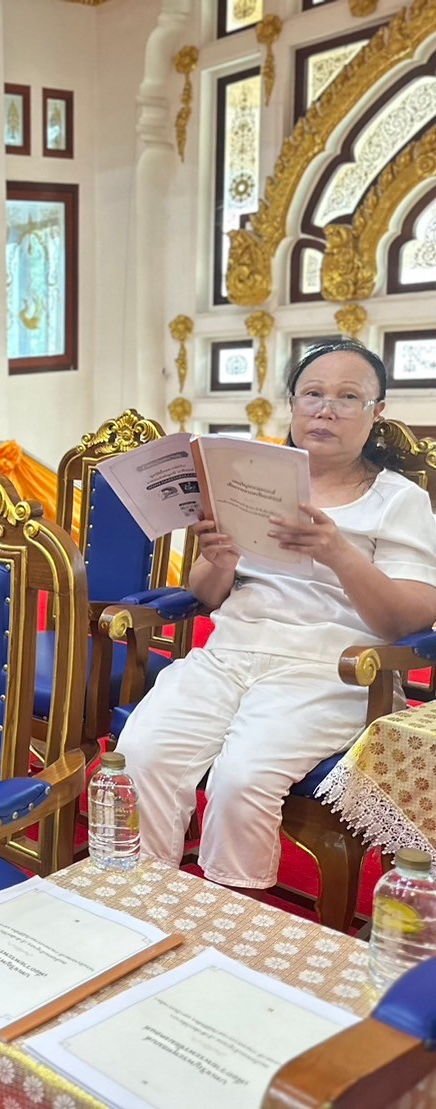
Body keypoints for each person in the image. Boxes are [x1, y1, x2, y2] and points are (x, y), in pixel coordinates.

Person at [115, 341, 436, 892]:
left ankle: (229, 917)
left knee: (243, 778)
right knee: (144, 752)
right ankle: (144, 899)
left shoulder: (396, 499)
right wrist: (218, 560)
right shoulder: (251, 477)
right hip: (228, 653)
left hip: (329, 667)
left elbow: (408, 621)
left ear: (377, 412)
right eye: (312, 394)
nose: (325, 409)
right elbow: (207, 595)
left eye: (348, 397)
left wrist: (337, 552)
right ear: (292, 403)